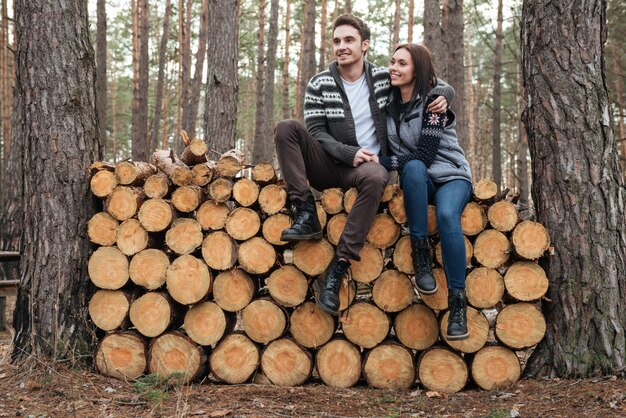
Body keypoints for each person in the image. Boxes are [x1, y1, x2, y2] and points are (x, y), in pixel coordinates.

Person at [274, 15, 454, 316]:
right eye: (336, 41)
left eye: (349, 40)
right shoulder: (319, 83)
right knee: (285, 127)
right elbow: (315, 132)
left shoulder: (384, 79)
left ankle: (338, 268)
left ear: (365, 45)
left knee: (375, 176)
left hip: (368, 168)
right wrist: (348, 152)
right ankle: (305, 211)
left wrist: (445, 95)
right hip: (329, 164)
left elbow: (427, 79)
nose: (341, 47)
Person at [379, 43, 473, 340]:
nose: (394, 68)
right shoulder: (388, 106)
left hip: (451, 176)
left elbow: (427, 154)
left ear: (416, 70)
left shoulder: (434, 102)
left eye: (402, 64)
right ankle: (420, 256)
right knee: (414, 171)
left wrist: (384, 162)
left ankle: (458, 304)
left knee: (447, 215)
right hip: (421, 181)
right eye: (392, 62)